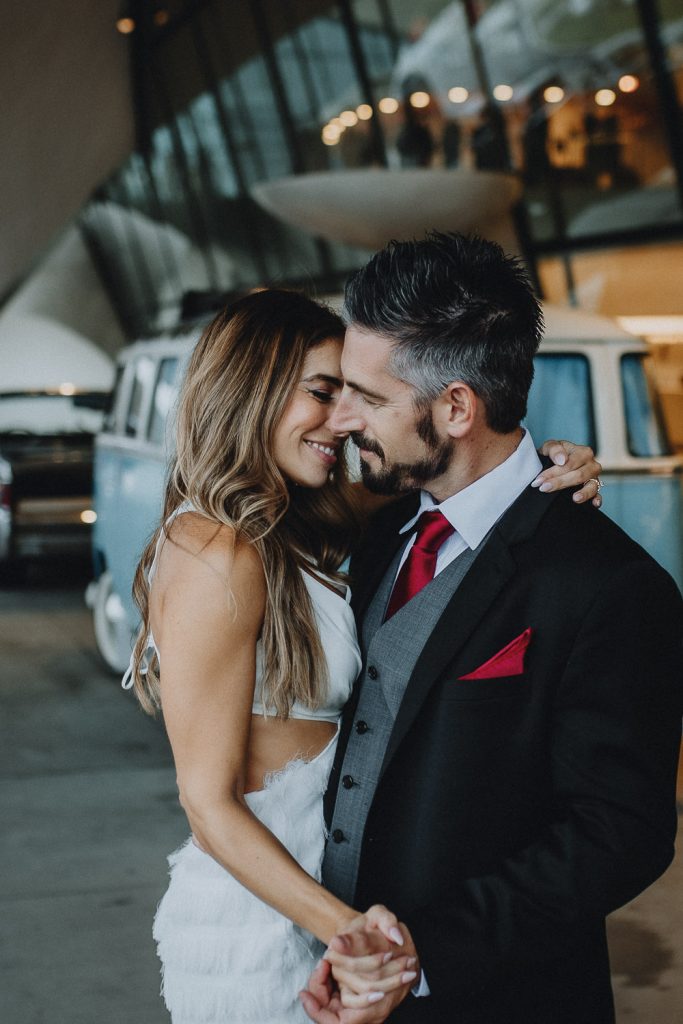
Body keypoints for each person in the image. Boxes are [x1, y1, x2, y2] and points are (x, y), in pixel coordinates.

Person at [123, 288, 604, 1023]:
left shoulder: (292, 523)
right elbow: (207, 803)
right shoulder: (211, 548)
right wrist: (346, 933)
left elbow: (457, 481)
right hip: (268, 913)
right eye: (322, 393)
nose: (341, 421)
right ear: (252, 386)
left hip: (328, 893)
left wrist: (550, 461)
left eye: (352, 397)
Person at [301, 233, 683, 1024]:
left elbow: (621, 832)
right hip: (322, 985)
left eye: (368, 399)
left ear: (455, 407)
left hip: (496, 1001)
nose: (341, 419)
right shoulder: (372, 527)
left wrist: (422, 955)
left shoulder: (608, 584)